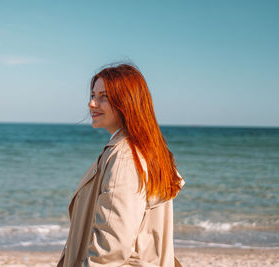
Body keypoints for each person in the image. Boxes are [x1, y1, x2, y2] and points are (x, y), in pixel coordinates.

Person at [57, 63, 185, 267]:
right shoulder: (144, 149)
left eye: (103, 96)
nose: (92, 103)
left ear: (127, 102)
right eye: (92, 95)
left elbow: (111, 246)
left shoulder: (125, 156)